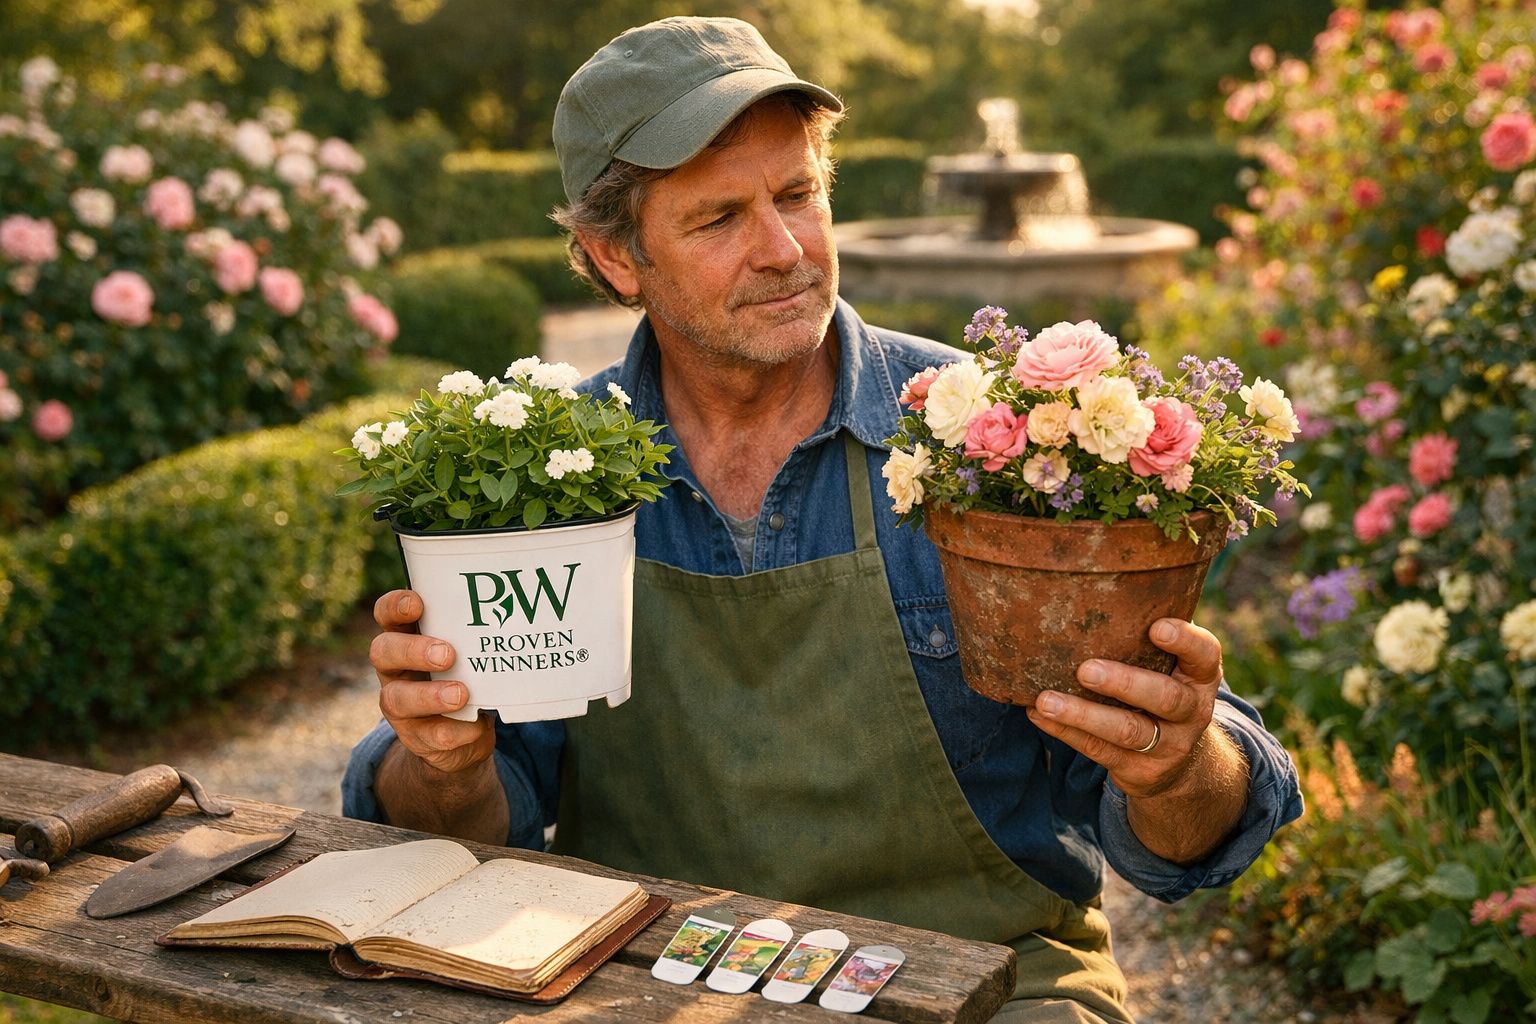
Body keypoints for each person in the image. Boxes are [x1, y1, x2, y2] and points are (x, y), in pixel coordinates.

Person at [343, 16, 1303, 1022]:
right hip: (646, 985)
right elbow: (461, 828)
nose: (784, 248)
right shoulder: (540, 476)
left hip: (989, 986)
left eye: (799, 195)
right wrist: (440, 760)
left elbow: (1198, 836)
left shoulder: (991, 437)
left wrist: (1181, 761)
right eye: (719, 219)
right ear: (616, 257)